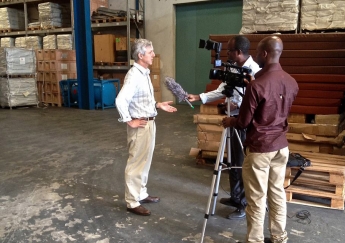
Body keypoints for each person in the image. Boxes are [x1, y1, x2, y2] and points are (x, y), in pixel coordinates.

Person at [222, 36, 298, 243]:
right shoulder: (291, 82)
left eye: (257, 52)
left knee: (255, 198)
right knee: (277, 193)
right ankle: (279, 237)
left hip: (260, 148)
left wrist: (230, 120)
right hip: (281, 146)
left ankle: (254, 240)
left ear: (265, 54)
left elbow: (243, 122)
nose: (255, 56)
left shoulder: (256, 87)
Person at [188, 35, 260, 219]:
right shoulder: (233, 67)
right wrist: (199, 97)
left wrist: (239, 106)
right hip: (232, 120)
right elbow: (222, 89)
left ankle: (244, 204)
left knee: (243, 163)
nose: (227, 54)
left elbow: (256, 100)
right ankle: (235, 197)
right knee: (233, 161)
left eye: (230, 51)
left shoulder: (254, 72)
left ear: (238, 52)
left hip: (243, 123)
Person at [115, 39, 177, 216]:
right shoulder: (135, 75)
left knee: (145, 162)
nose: (153, 55)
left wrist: (158, 105)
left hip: (149, 122)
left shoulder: (144, 73)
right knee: (136, 163)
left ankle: (140, 193)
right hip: (140, 125)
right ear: (140, 55)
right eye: (150, 52)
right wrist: (129, 120)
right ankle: (132, 202)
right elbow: (121, 100)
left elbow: (140, 99)